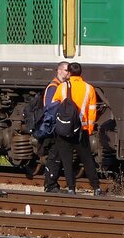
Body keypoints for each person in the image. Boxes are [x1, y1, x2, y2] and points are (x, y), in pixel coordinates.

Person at [44, 61, 103, 195]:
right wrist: (88, 128)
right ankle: (96, 188)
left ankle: (71, 188)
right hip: (81, 129)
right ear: (81, 73)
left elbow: (54, 105)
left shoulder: (62, 87)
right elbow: (92, 111)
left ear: (69, 73)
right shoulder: (89, 88)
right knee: (87, 159)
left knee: (66, 160)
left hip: (64, 129)